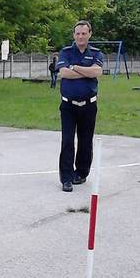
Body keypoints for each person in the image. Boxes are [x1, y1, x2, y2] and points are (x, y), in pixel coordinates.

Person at [56, 21, 103, 192]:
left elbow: (97, 72)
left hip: (89, 106)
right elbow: (63, 73)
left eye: (84, 33)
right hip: (68, 106)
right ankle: (66, 178)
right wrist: (86, 71)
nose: (80, 37)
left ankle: (81, 173)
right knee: (67, 141)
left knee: (85, 141)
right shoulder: (66, 52)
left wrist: (75, 67)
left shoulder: (96, 53)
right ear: (73, 35)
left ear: (89, 34)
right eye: (78, 33)